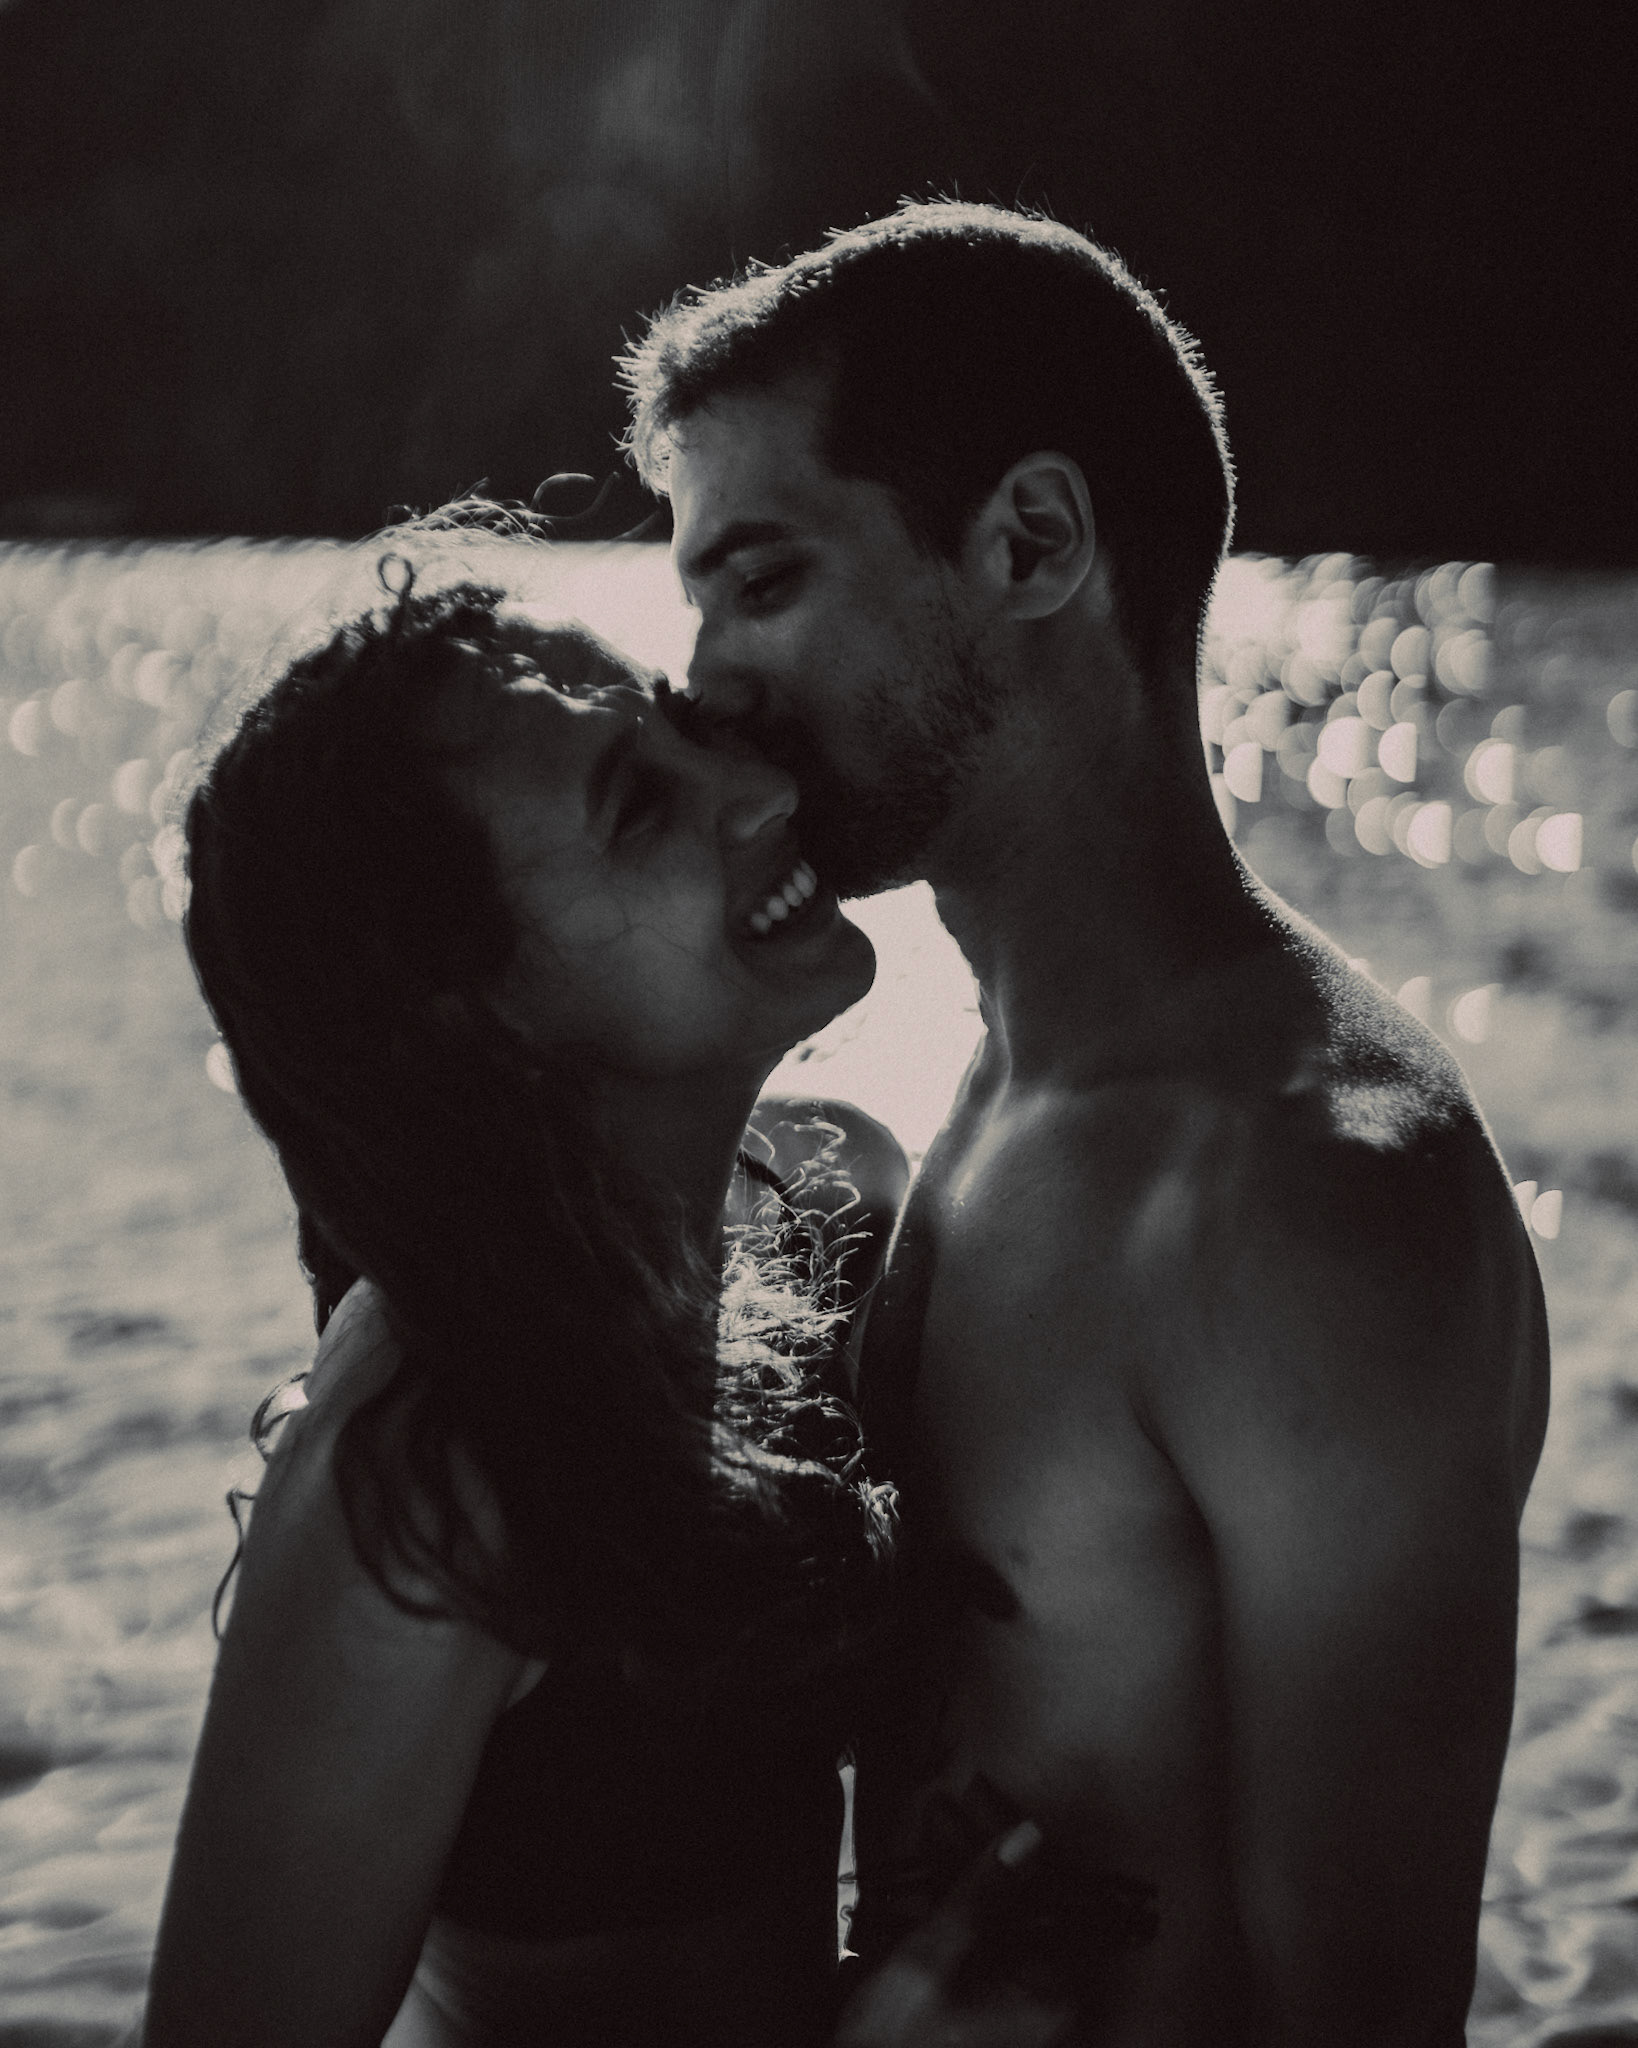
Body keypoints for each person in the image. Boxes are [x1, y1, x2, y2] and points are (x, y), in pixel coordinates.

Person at [620, 199, 1552, 2045]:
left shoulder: (1299, 1195)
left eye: (766, 578)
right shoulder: (977, 1101)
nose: (708, 677)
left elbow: (1362, 2016)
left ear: (1030, 542)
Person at [139, 566, 910, 2048]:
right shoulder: (436, 1483)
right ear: (464, 1014)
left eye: (683, 724)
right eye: (636, 806)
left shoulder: (821, 1213)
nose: (752, 788)